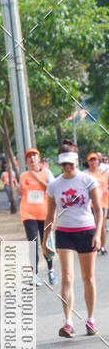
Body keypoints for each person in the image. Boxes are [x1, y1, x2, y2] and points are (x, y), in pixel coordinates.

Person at [43, 143, 103, 338]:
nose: (67, 167)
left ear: (77, 160)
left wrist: (97, 235)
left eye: (70, 163)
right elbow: (50, 215)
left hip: (86, 231)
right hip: (65, 233)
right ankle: (68, 323)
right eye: (63, 164)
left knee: (88, 277)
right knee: (67, 277)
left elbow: (98, 211)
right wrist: (45, 239)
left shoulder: (88, 180)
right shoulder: (54, 185)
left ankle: (90, 319)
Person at [17, 148, 56, 286]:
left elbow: (51, 190)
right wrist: (19, 190)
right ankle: (35, 275)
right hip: (28, 213)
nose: (32, 158)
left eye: (34, 156)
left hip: (45, 213)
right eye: (29, 156)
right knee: (32, 243)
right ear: (27, 160)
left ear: (39, 159)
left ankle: (51, 270)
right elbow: (22, 192)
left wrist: (37, 177)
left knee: (45, 243)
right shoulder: (23, 176)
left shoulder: (47, 173)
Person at [86, 152, 108, 255]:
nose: (93, 162)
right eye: (91, 160)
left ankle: (103, 246)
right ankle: (93, 244)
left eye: (95, 159)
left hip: (102, 203)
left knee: (101, 225)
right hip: (89, 203)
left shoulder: (104, 173)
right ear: (88, 162)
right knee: (92, 225)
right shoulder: (85, 175)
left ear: (98, 161)